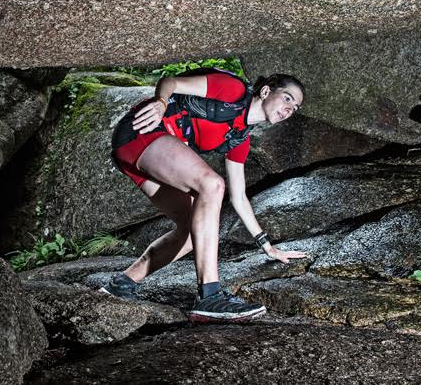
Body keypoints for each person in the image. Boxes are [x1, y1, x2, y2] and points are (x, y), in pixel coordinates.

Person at [100, 69, 308, 322]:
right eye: (287, 98)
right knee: (212, 185)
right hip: (142, 131)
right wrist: (161, 102)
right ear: (266, 91)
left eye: (294, 108)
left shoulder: (239, 140)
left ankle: (121, 284)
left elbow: (239, 198)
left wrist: (268, 247)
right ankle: (209, 294)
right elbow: (170, 81)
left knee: (192, 231)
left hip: (143, 156)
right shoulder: (232, 90)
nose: (289, 109)